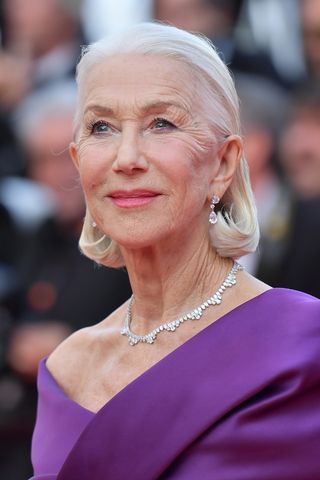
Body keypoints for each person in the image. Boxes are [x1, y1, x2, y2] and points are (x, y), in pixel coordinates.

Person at [30, 23, 320, 480]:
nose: (126, 157)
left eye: (161, 123)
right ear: (77, 160)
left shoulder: (303, 345)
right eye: (101, 127)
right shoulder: (67, 369)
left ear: (223, 164)